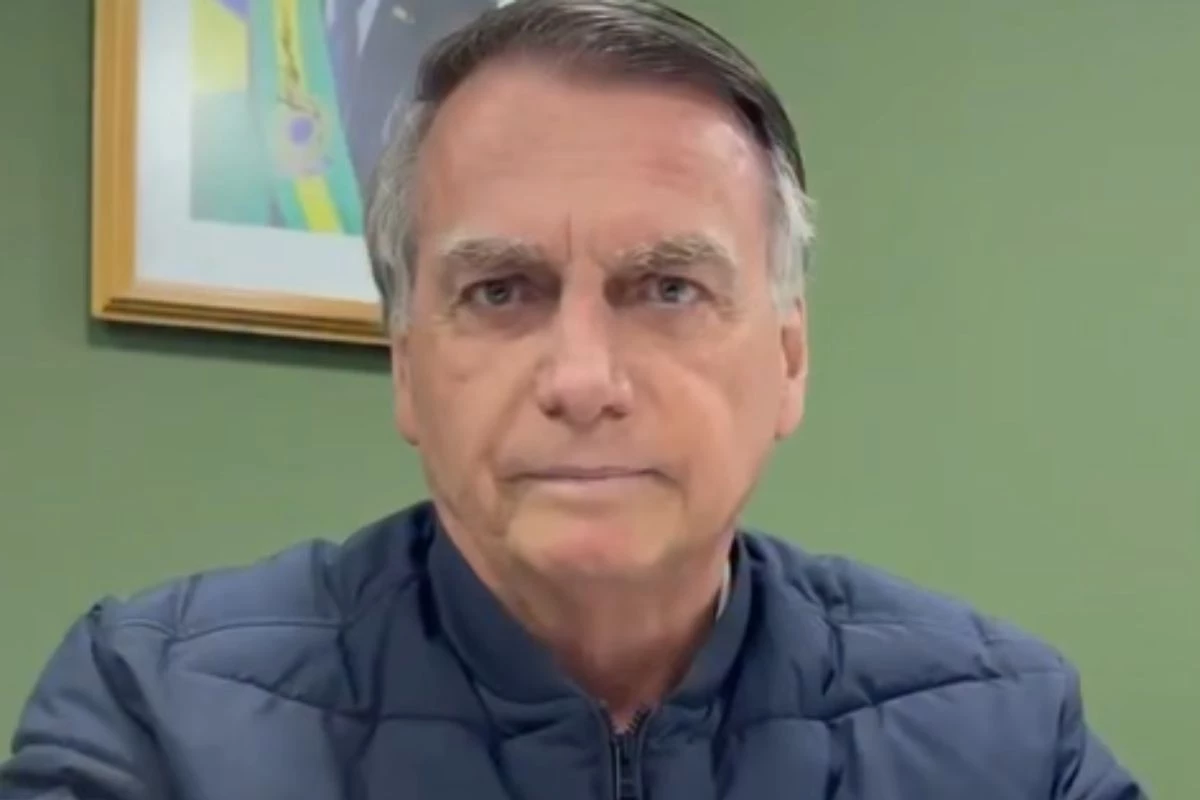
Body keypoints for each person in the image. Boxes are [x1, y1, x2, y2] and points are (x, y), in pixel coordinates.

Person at [1, 1, 1144, 798]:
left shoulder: (1004, 732)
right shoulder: (155, 712)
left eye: (670, 288)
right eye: (501, 290)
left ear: (789, 359)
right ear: (407, 367)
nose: (583, 379)